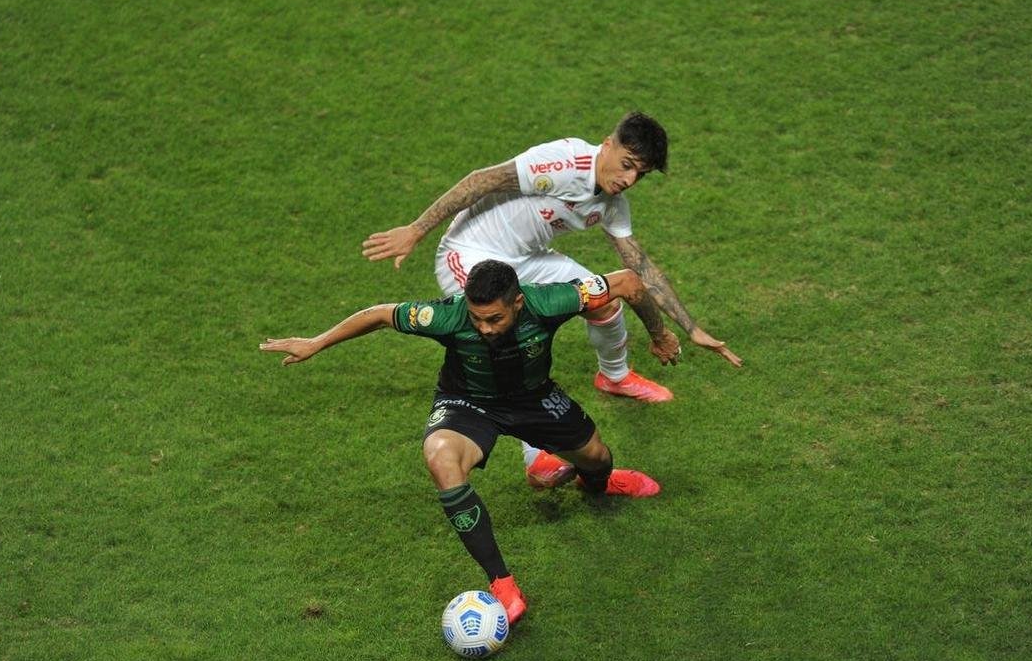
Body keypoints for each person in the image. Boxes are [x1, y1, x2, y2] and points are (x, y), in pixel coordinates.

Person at [261, 260, 681, 624]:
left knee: (595, 456)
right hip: (468, 404)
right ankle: (502, 583)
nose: (483, 327)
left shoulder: (551, 300)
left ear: (517, 303)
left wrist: (659, 333)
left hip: (534, 400)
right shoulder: (447, 316)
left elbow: (626, 281)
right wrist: (316, 343)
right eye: (476, 318)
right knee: (441, 459)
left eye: (494, 319)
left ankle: (598, 485)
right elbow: (379, 314)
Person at [361, 111, 742, 489]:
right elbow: (481, 181)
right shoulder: (562, 163)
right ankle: (536, 458)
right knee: (511, 337)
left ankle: (614, 376)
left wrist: (690, 329)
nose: (628, 179)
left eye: (639, 174)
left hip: (528, 259)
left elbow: (638, 264)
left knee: (605, 301)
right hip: (470, 254)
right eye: (626, 165)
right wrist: (415, 230)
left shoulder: (611, 203)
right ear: (607, 145)